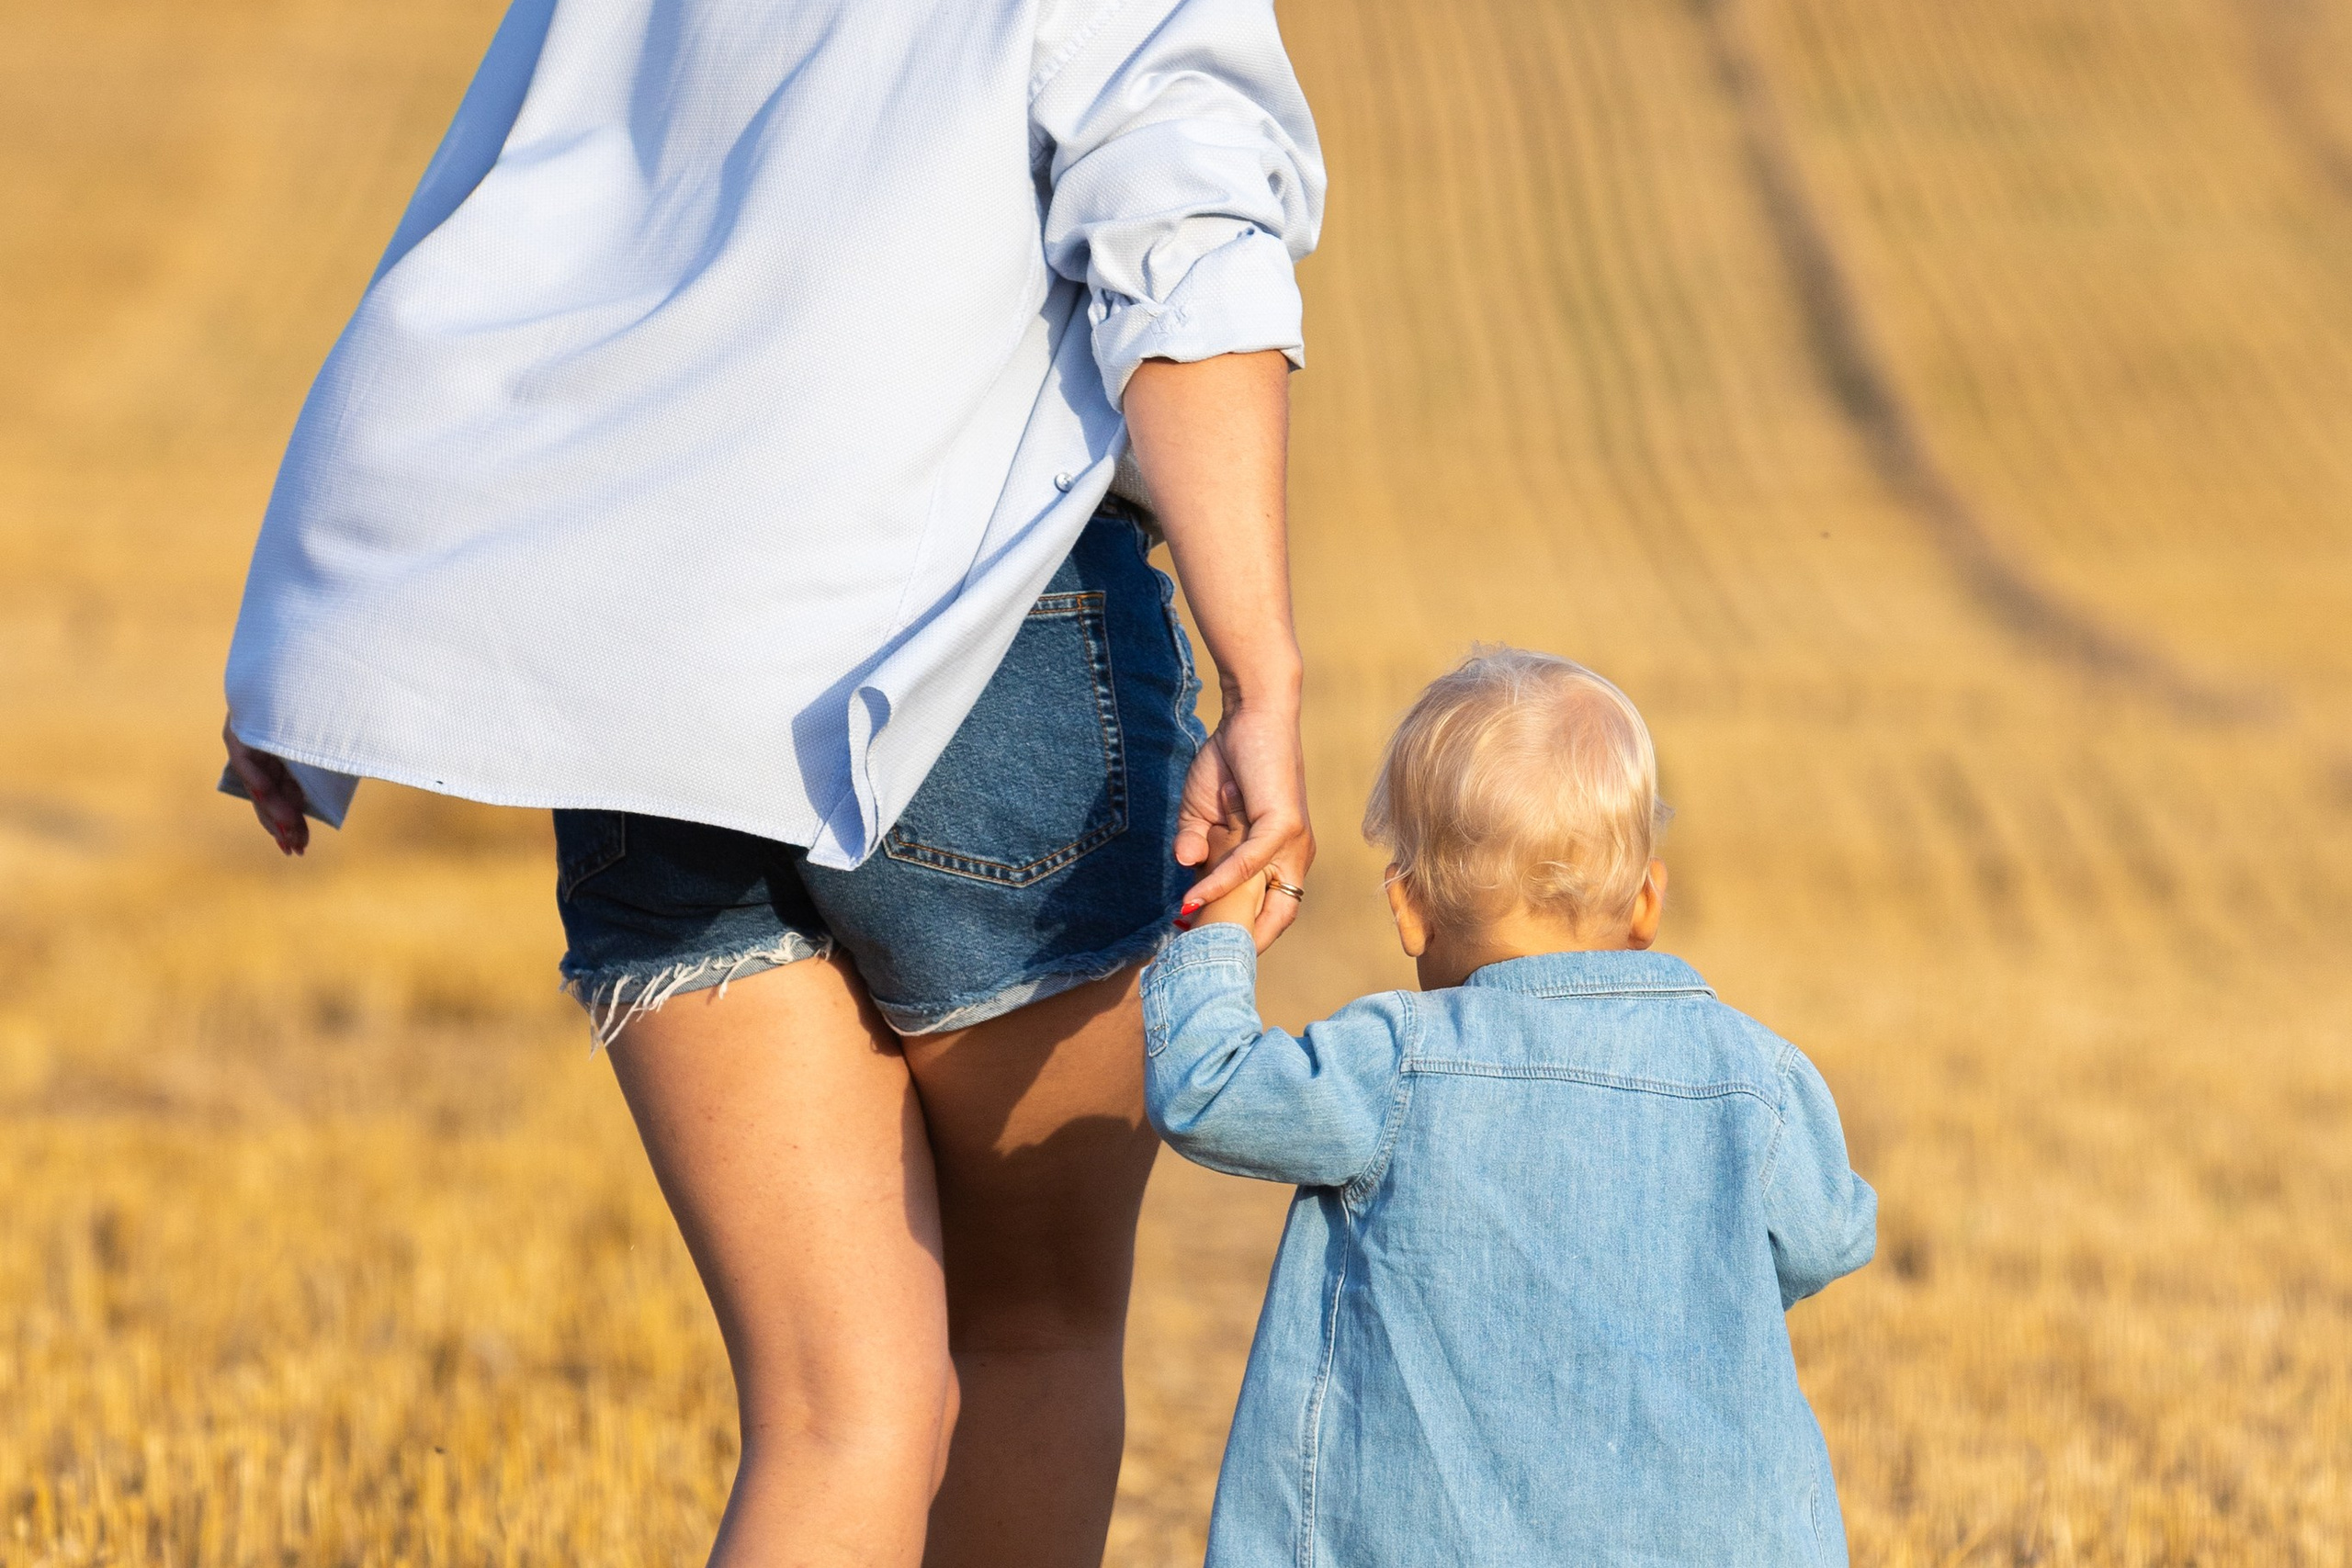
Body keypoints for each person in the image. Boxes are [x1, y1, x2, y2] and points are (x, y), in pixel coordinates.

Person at [218, 2, 1325, 1562]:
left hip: (643, 677)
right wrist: (1261, 671)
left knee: (837, 1412)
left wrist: (308, 634)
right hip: (983, 654)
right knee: (1033, 1329)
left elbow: (505, 215)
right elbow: (1189, 236)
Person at [1143, 648, 1878, 1565]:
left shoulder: (1399, 1064)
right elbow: (1829, 1235)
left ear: (1408, 909)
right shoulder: (1757, 1077)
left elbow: (1208, 1087)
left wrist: (1215, 932)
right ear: (1647, 900)